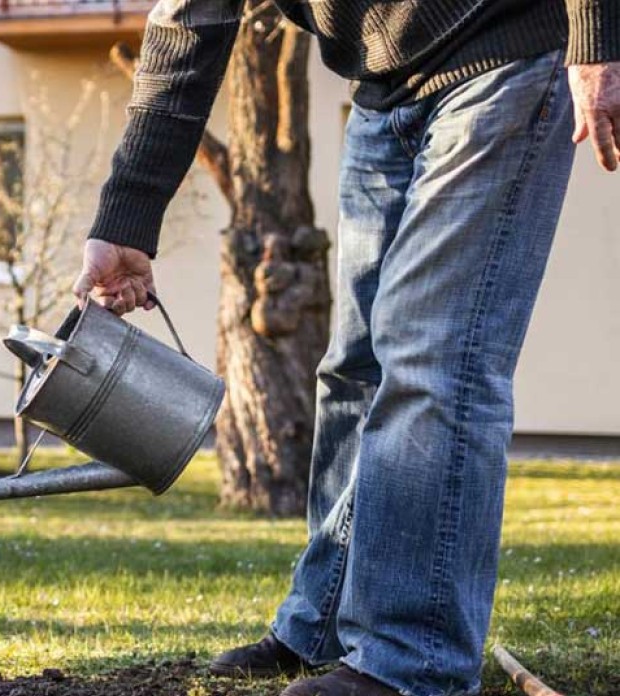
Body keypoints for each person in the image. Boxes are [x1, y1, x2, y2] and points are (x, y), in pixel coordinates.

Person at [71, 1, 619, 694]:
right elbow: (188, 23)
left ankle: (412, 660)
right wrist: (127, 217)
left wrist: (598, 37)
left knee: (434, 359)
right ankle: (322, 622)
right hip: (383, 85)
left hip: (504, 49)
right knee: (354, 371)